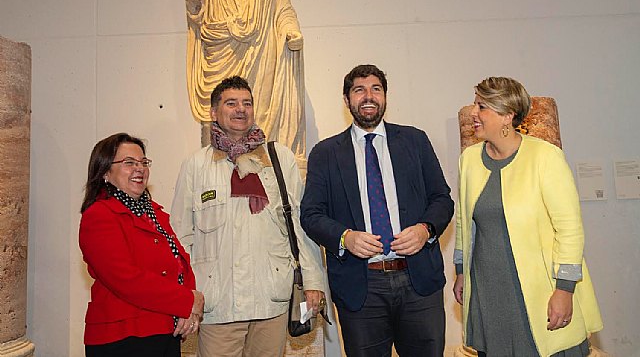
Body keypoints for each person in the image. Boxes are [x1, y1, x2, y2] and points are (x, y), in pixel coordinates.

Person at [301, 64, 454, 356]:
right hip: (361, 288)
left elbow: (442, 199)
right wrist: (346, 237)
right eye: (359, 90)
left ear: (385, 97)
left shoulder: (415, 141)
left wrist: (426, 230)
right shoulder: (325, 153)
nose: (368, 96)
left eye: (376, 89)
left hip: (418, 282)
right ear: (347, 100)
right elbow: (311, 214)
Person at [170, 76, 326, 357]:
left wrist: (314, 282)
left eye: (247, 103)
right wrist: (184, 298)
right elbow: (181, 238)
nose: (241, 109)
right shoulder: (195, 165)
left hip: (272, 300)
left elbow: (300, 225)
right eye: (231, 103)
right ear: (214, 112)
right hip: (217, 304)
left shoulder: (280, 158)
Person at [453, 77, 603, 357]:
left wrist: (565, 290)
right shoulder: (469, 160)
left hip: (540, 291)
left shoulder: (545, 157)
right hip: (488, 292)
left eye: (482, 106)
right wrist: (461, 271)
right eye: (475, 104)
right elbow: (464, 221)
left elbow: (569, 229)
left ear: (507, 114)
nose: (473, 112)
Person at [79, 133, 204, 357]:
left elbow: (180, 262)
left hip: (165, 331)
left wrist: (190, 305)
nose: (140, 168)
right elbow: (125, 279)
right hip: (123, 339)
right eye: (129, 163)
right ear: (106, 171)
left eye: (143, 162)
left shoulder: (155, 214)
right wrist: (188, 301)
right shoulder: (98, 215)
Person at [185, 0, 307, 166]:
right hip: (221, 51)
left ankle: (266, 166)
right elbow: (195, 6)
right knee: (222, 118)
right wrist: (196, 6)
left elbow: (283, 8)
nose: (240, 109)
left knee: (261, 116)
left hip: (261, 49)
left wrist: (291, 30)